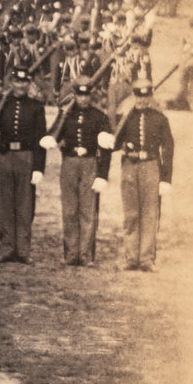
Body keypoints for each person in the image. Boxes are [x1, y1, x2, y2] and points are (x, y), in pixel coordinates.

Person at [0, 69, 48, 264]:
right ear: (11, 82)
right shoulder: (3, 103)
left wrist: (38, 168)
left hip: (26, 157)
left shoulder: (36, 107)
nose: (20, 86)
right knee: (6, 203)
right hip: (4, 156)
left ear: (29, 84)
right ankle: (7, 248)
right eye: (17, 82)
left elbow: (40, 140)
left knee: (25, 205)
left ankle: (23, 250)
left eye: (24, 82)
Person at [50, 83, 115, 267]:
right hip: (69, 162)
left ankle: (86, 255)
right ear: (75, 95)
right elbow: (55, 133)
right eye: (80, 95)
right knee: (69, 210)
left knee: (88, 211)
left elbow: (106, 148)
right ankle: (70, 254)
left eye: (87, 95)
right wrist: (62, 114)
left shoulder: (99, 117)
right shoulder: (66, 115)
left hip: (89, 163)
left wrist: (102, 175)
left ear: (91, 96)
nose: (83, 99)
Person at [114, 81, 174, 272]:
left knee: (149, 214)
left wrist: (166, 178)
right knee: (131, 213)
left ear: (150, 97)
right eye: (138, 96)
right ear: (134, 96)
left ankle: (146, 258)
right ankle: (131, 257)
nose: (141, 100)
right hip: (130, 166)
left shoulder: (159, 118)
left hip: (150, 166)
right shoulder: (126, 116)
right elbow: (115, 142)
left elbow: (168, 149)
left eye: (145, 96)